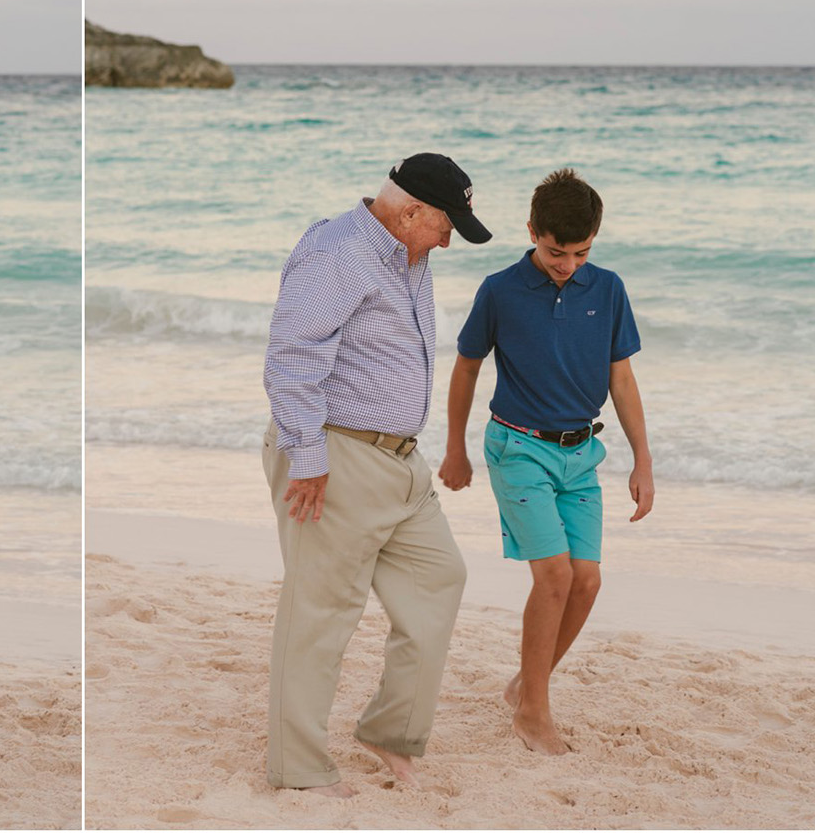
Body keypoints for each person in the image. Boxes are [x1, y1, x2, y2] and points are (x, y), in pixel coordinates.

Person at [260, 152, 491, 795]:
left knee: (439, 577)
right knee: (321, 613)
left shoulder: (408, 253)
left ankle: (390, 734)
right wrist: (307, 459)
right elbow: (292, 355)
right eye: (446, 224)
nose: (450, 238)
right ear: (410, 209)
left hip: (399, 460)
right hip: (335, 455)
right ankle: (301, 770)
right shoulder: (344, 254)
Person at [438, 168, 654, 755]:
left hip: (581, 454)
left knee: (586, 581)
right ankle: (534, 712)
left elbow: (623, 377)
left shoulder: (607, 289)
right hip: (518, 448)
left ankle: (525, 687)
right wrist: (455, 447)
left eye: (582, 252)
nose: (568, 265)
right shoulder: (500, 289)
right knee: (554, 576)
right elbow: (466, 367)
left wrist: (643, 460)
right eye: (557, 251)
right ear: (532, 231)